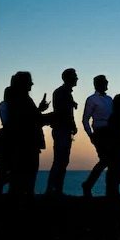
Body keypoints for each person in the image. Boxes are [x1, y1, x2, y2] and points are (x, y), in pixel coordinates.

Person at [5, 72, 52, 199]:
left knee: (24, 172)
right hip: (26, 142)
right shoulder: (20, 99)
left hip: (25, 141)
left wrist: (40, 111)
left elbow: (31, 117)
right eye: (29, 81)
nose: (32, 84)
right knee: (28, 171)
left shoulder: (18, 98)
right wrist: (49, 116)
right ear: (23, 83)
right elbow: (29, 120)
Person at [45, 68, 79, 197]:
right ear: (67, 78)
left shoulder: (65, 93)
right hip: (61, 130)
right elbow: (61, 112)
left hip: (64, 129)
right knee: (60, 160)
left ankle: (57, 189)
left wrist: (72, 124)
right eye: (74, 76)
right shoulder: (61, 92)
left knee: (63, 160)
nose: (77, 78)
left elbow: (67, 113)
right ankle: (51, 189)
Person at [81, 75, 115, 197]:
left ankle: (110, 191)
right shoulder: (92, 100)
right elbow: (85, 119)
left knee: (110, 162)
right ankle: (89, 185)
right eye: (104, 82)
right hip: (100, 133)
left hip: (110, 132)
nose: (106, 83)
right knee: (105, 160)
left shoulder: (110, 99)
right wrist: (90, 134)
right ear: (97, 84)